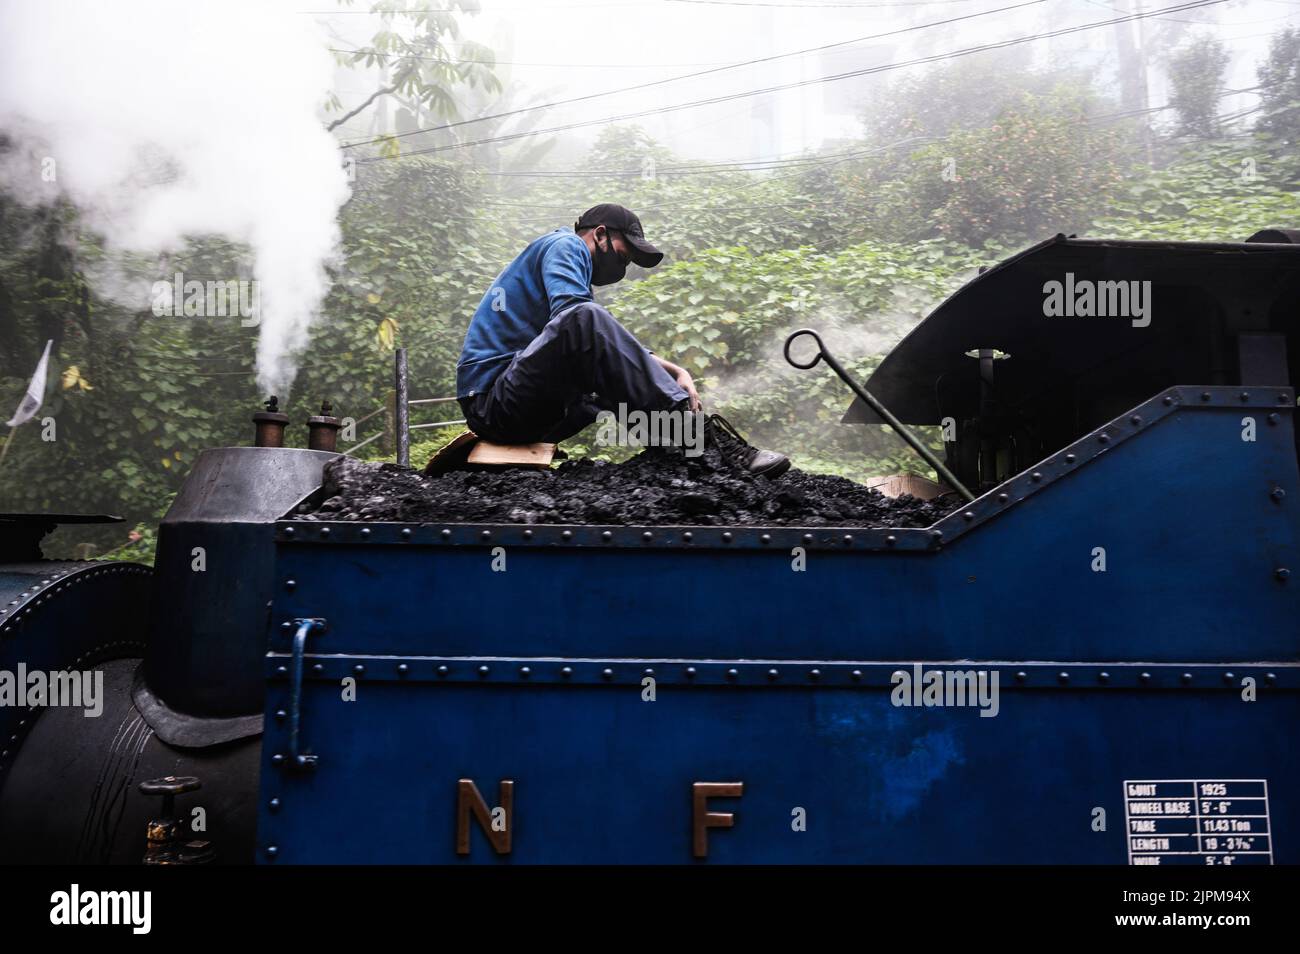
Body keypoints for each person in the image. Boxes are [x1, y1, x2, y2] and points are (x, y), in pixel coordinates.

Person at [456, 203, 789, 476]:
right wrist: (671, 375)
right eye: (624, 255)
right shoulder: (565, 245)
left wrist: (673, 370)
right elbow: (579, 321)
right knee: (585, 318)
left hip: (522, 407)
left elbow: (602, 349)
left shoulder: (571, 275)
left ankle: (677, 447)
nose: (624, 265)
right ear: (600, 234)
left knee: (602, 373)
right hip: (493, 403)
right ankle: (703, 437)